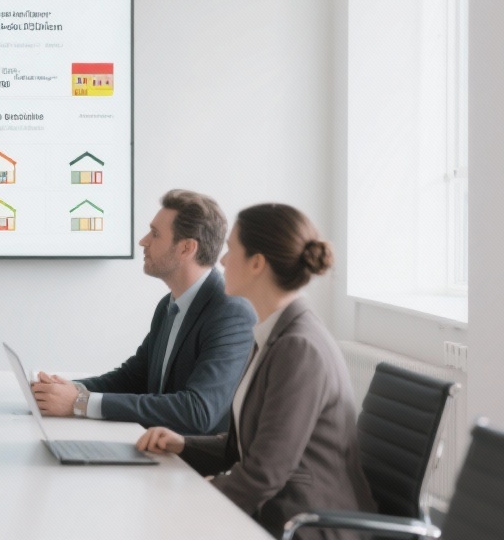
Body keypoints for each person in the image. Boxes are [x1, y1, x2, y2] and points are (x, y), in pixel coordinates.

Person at [136, 203, 375, 539]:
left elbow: (264, 472)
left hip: (305, 523)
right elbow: (248, 447)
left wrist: (196, 499)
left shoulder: (299, 347)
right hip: (278, 511)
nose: (220, 260)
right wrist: (183, 444)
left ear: (257, 263)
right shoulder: (273, 333)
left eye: (231, 249)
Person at [32, 189, 257, 434]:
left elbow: (198, 411)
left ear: (186, 248)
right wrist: (66, 390)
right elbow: (134, 378)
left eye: (155, 234)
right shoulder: (168, 305)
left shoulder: (231, 312)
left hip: (193, 466)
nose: (143, 240)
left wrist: (79, 403)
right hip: (156, 450)